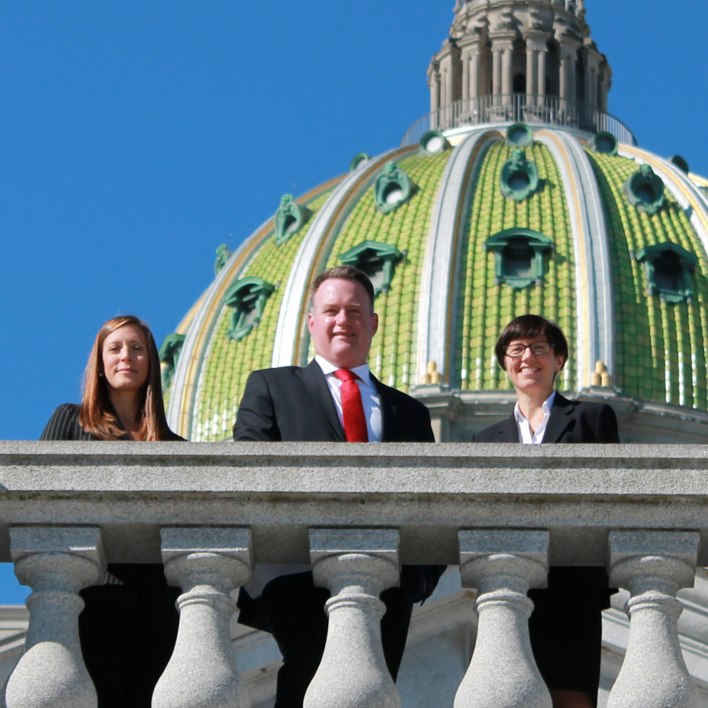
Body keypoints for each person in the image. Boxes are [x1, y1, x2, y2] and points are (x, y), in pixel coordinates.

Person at [233, 265, 443, 708]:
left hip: (387, 580)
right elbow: (249, 471)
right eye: (331, 310)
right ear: (312, 322)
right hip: (293, 571)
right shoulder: (271, 386)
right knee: (308, 674)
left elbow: (433, 504)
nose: (342, 319)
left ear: (373, 322)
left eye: (354, 310)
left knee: (374, 693)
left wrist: (416, 582)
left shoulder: (410, 412)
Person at [473, 314, 619, 708]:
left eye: (539, 348)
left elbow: (612, 500)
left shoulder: (591, 418)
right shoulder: (486, 440)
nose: (527, 357)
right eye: (516, 349)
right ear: (505, 362)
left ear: (559, 359)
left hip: (573, 586)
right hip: (510, 586)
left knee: (572, 697)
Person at [40, 315, 183, 708]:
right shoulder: (71, 420)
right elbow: (40, 504)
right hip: (94, 593)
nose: (127, 357)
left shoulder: (177, 446)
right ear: (99, 363)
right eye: (115, 348)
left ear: (151, 362)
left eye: (138, 349)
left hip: (160, 600)